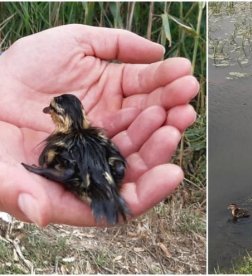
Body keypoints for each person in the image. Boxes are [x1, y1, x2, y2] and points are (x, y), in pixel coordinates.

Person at [0, 24, 199, 227]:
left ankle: (96, 187)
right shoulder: (96, 137)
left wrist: (43, 171)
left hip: (85, 180)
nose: (48, 112)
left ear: (61, 117)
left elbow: (70, 169)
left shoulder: (61, 145)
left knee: (64, 163)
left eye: (52, 110)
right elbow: (113, 162)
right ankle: (104, 187)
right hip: (104, 178)